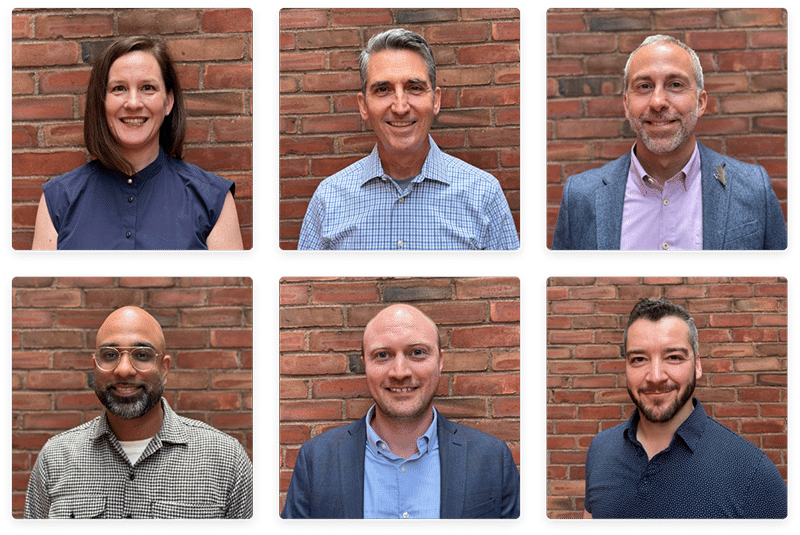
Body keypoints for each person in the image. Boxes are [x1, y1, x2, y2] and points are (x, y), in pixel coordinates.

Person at [281, 304, 520, 519]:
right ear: (365, 364)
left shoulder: (492, 458)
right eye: (382, 355)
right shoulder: (316, 459)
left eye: (417, 353)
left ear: (440, 361)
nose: (399, 372)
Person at [552, 35, 787, 251]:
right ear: (626, 104)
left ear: (701, 102)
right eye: (644, 86)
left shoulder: (754, 188)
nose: (658, 102)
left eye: (675, 84)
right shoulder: (581, 196)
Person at [297, 29, 520, 251]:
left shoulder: (483, 194)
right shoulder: (328, 199)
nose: (401, 107)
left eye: (414, 88)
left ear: (436, 100)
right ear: (363, 106)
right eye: (383, 90)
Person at [23, 306, 252, 519]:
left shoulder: (227, 459)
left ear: (165, 368)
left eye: (142, 355)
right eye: (110, 355)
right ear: (95, 366)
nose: (124, 370)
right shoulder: (54, 458)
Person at [30, 36, 244, 251]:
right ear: (101, 101)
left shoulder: (213, 199)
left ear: (168, 102)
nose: (133, 103)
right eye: (119, 88)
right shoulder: (57, 200)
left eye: (148, 87)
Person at [583, 299, 787, 519]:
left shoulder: (753, 473)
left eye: (674, 357)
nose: (656, 376)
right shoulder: (601, 449)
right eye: (639, 359)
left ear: (697, 365)